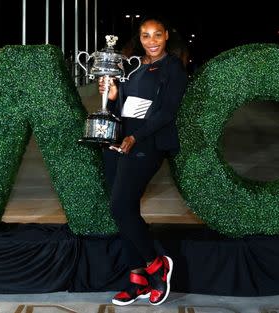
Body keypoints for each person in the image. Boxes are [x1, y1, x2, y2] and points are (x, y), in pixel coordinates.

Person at [98, 16, 188, 306]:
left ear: (166, 37)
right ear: (140, 38)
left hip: (147, 142)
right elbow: (121, 104)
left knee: (120, 205)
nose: (151, 41)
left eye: (157, 35)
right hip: (119, 140)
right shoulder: (132, 66)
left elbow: (167, 112)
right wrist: (111, 96)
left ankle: (155, 264)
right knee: (123, 210)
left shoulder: (173, 68)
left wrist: (135, 138)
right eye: (146, 35)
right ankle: (137, 279)